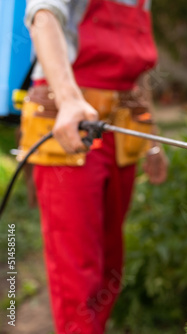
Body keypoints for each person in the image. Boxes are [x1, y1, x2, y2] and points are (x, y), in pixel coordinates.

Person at [19, 0, 168, 333]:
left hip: (121, 128)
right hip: (66, 122)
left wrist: (152, 140)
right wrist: (69, 99)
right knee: (77, 270)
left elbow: (137, 77)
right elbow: (44, 16)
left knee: (109, 262)